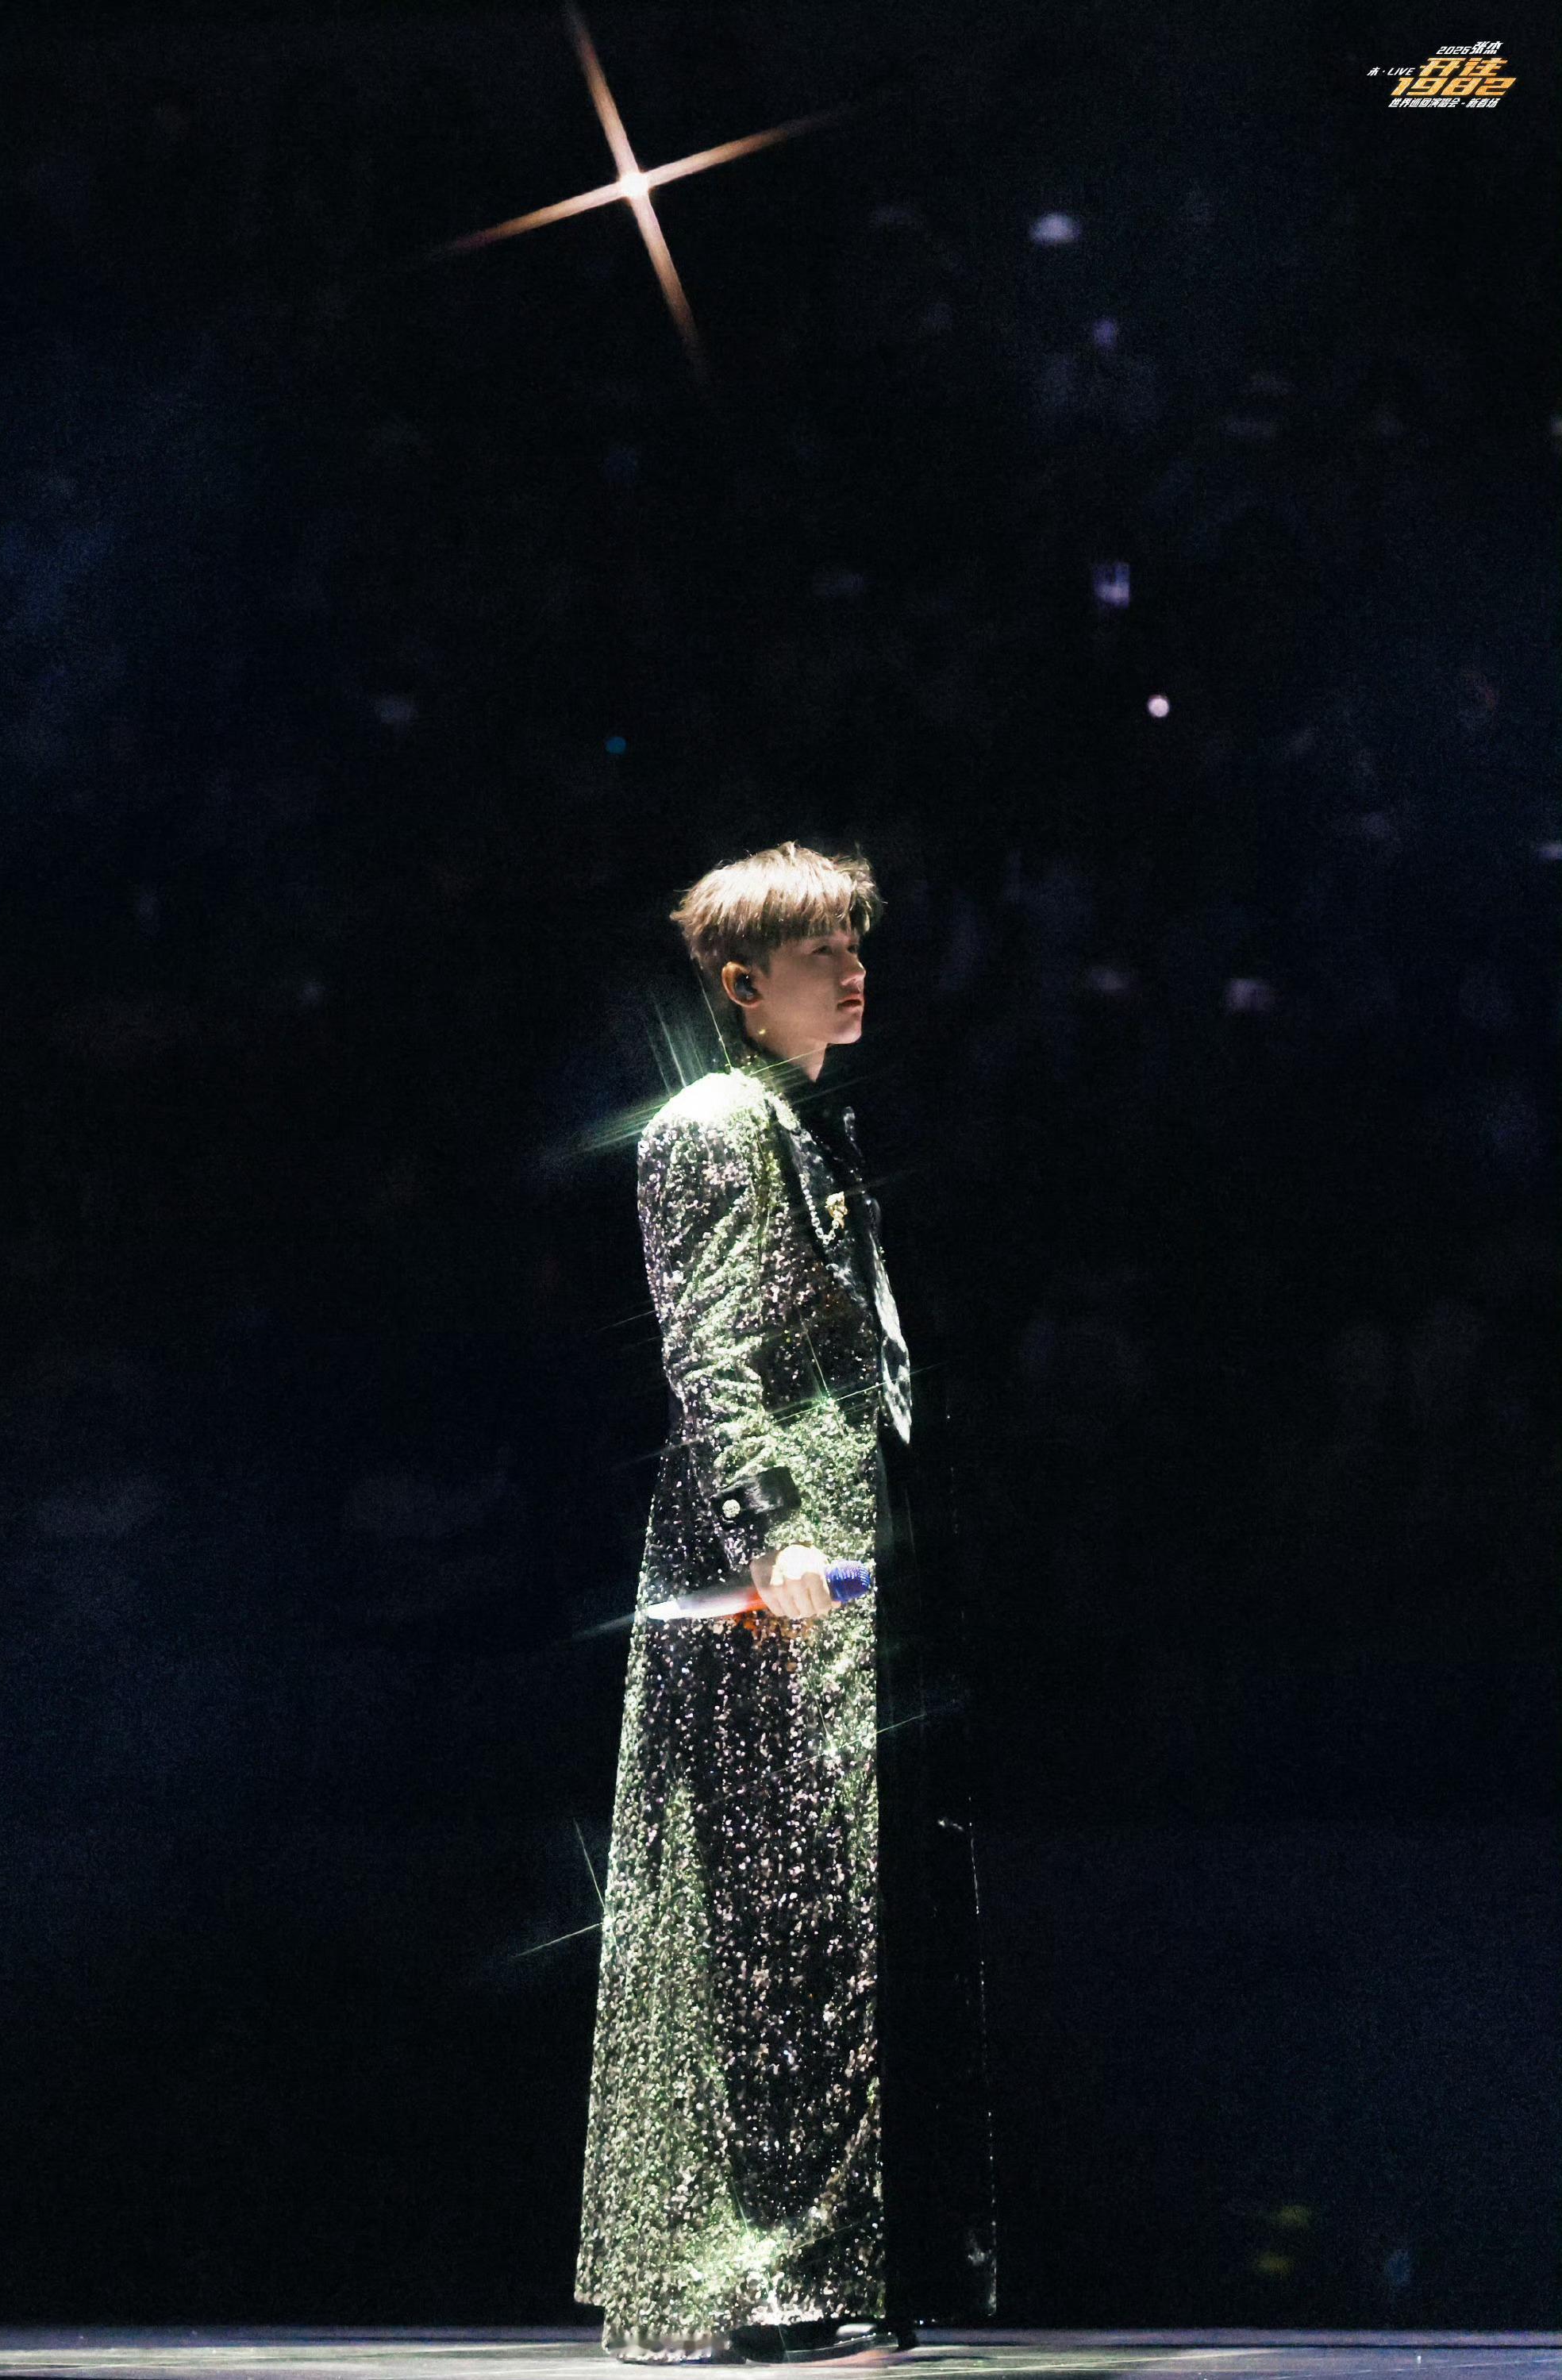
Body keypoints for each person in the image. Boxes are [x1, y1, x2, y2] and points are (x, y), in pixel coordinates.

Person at [575, 841, 995, 2363]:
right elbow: (704, 1349)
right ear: (746, 984)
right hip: (775, 1572)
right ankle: (763, 2275)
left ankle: (826, 2262)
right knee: (776, 1919)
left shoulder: (800, 1125)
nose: (854, 970)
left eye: (855, 946)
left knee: (830, 1915)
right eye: (824, 953)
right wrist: (769, 1532)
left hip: (843, 1564)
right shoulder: (712, 1125)